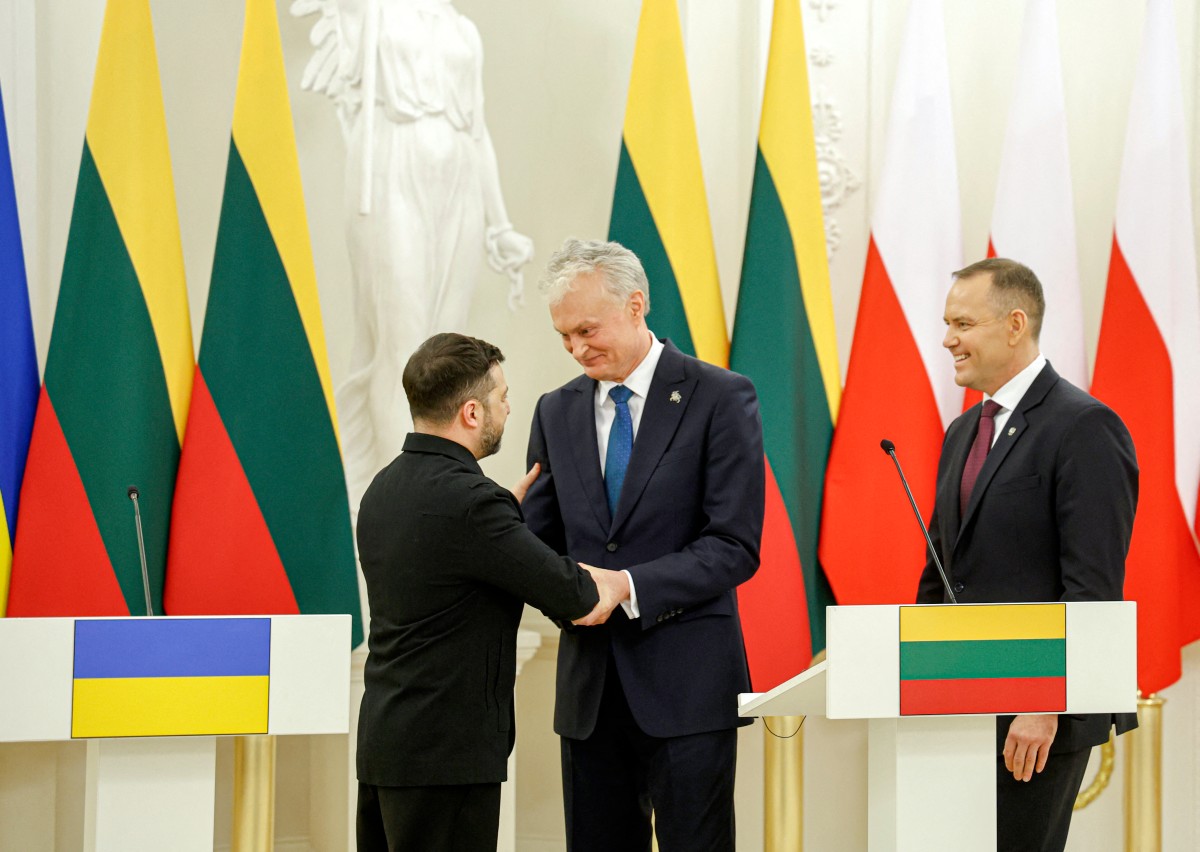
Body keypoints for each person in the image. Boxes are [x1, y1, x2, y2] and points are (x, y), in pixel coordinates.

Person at [522, 239, 765, 852]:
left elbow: (735, 544)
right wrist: (510, 531)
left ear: (636, 305)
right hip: (589, 697)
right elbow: (541, 544)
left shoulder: (720, 396)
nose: (576, 349)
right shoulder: (556, 411)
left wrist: (627, 587)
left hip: (688, 689)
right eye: (563, 337)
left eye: (586, 329)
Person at [355, 332, 612, 852]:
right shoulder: (473, 504)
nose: (509, 408)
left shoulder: (383, 487)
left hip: (387, 747)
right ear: (472, 413)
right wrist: (625, 580)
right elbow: (576, 596)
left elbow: (454, 562)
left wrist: (503, 519)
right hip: (447, 760)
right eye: (502, 397)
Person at [918, 258, 1138, 852]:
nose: (948, 339)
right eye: (946, 322)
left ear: (1015, 324)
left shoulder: (1085, 426)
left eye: (963, 322)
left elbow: (1092, 589)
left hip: (1036, 717)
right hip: (960, 705)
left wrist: (1044, 700)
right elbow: (942, 573)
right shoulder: (962, 432)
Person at [293, 0, 536, 510]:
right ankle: (393, 501)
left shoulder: (463, 30)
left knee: (446, 352)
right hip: (391, 171)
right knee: (403, 350)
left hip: (459, 184)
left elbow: (478, 131)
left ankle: (440, 494)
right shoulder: (372, 11)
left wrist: (501, 225)